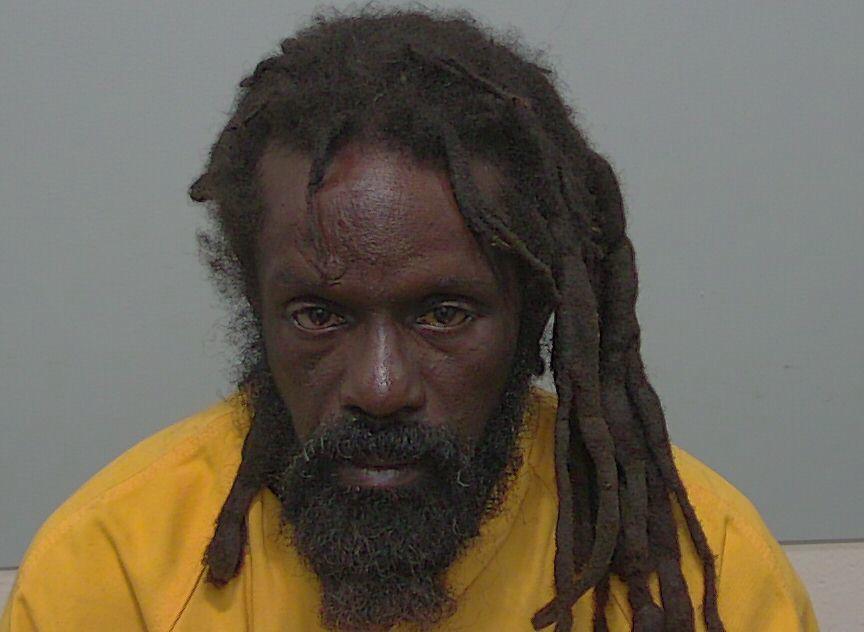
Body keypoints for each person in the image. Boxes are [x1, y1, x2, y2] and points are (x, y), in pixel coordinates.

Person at [1, 8, 817, 632]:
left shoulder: (705, 571)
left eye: (444, 313)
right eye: (319, 315)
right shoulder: (110, 574)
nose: (382, 387)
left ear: (533, 308)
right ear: (255, 306)